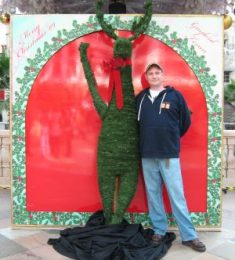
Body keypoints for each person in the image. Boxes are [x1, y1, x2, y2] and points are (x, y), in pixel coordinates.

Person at [136, 63, 206, 252]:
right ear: (146, 76)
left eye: (157, 72)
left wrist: (171, 137)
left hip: (168, 154)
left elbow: (185, 121)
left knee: (177, 196)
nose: (154, 75)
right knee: (153, 195)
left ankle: (189, 236)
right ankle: (159, 230)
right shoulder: (140, 98)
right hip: (147, 154)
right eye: (150, 73)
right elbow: (135, 125)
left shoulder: (175, 96)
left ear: (163, 75)